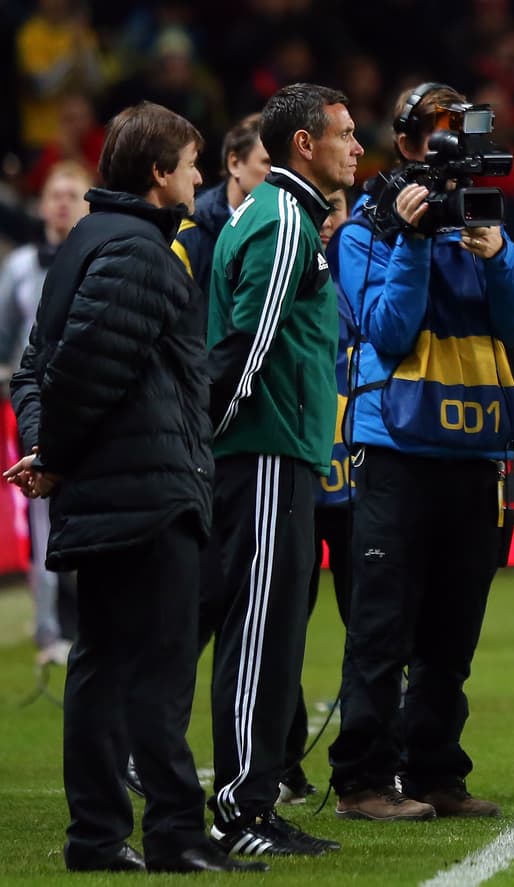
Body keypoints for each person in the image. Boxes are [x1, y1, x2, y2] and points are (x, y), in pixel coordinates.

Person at [4, 101, 262, 874]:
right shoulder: (142, 252)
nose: (198, 178)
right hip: (145, 492)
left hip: (107, 489)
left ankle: (96, 836)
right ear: (158, 174)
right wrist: (55, 454)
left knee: (102, 662)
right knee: (157, 666)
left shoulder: (87, 240)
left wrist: (50, 448)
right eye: (189, 165)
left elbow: (34, 371)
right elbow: (83, 369)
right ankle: (176, 832)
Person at [326, 81, 514, 821]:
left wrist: (501, 252)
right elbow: (386, 330)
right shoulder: (363, 234)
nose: (449, 154)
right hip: (399, 451)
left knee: (452, 636)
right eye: (435, 137)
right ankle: (361, 778)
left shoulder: (482, 223)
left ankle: (435, 772)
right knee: (383, 628)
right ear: (406, 143)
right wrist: (413, 243)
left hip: (476, 451)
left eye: (462, 137)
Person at [203, 82, 361, 857]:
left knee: (262, 633)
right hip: (265, 453)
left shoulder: (274, 215)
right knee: (260, 635)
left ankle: (250, 801)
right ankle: (241, 812)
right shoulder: (285, 220)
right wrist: (216, 440)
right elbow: (245, 352)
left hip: (276, 451)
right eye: (345, 134)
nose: (358, 148)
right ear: (305, 144)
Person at [0, 160, 92, 667]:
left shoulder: (100, 258)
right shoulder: (18, 267)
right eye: (54, 194)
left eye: (71, 194)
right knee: (41, 525)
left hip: (89, 407)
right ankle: (50, 630)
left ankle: (93, 623)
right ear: (41, 205)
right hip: (35, 412)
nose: (61, 202)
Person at [279, 186, 354, 807]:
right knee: (281, 629)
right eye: (323, 207)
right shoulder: (280, 258)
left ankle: (369, 765)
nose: (332, 219)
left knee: (376, 635)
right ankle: (283, 764)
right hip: (298, 472)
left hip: (359, 484)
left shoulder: (365, 267)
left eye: (341, 208)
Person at [172, 112, 271, 300]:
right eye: (267, 163)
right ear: (234, 163)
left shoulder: (289, 226)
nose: (277, 174)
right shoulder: (191, 230)